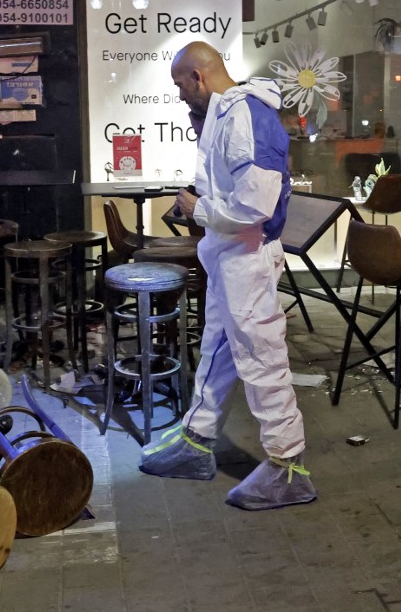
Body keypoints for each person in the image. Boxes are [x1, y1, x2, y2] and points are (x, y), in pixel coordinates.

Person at [139, 40, 317, 511]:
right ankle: (197, 439)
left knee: (261, 355)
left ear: (198, 77)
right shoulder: (228, 112)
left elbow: (255, 206)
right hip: (229, 253)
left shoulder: (245, 114)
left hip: (247, 255)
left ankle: (288, 465)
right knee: (219, 346)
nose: (180, 97)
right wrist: (205, 206)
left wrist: (200, 210)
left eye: (181, 86)